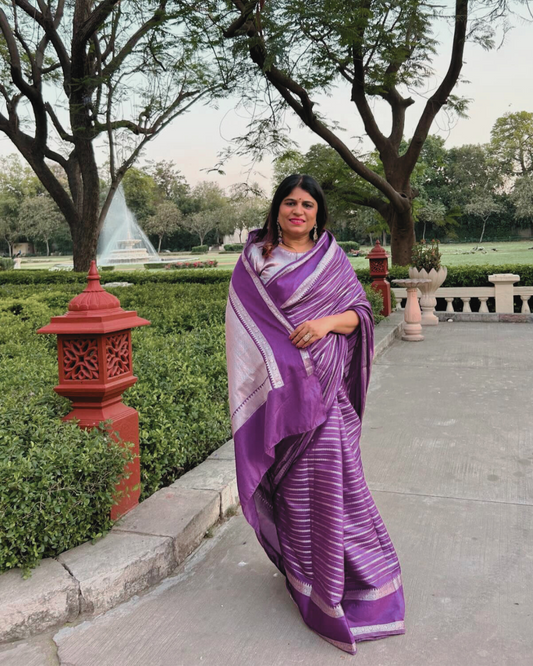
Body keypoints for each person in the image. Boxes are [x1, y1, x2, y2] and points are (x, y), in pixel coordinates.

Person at [225, 174, 405, 655]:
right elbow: (245, 333)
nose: (298, 211)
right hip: (282, 406)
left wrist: (325, 321)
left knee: (335, 488)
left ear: (318, 213)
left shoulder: (331, 258)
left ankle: (363, 584)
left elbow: (359, 315)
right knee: (294, 495)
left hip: (327, 401)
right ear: (277, 208)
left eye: (307, 204)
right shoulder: (253, 262)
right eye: (290, 203)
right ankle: (307, 583)